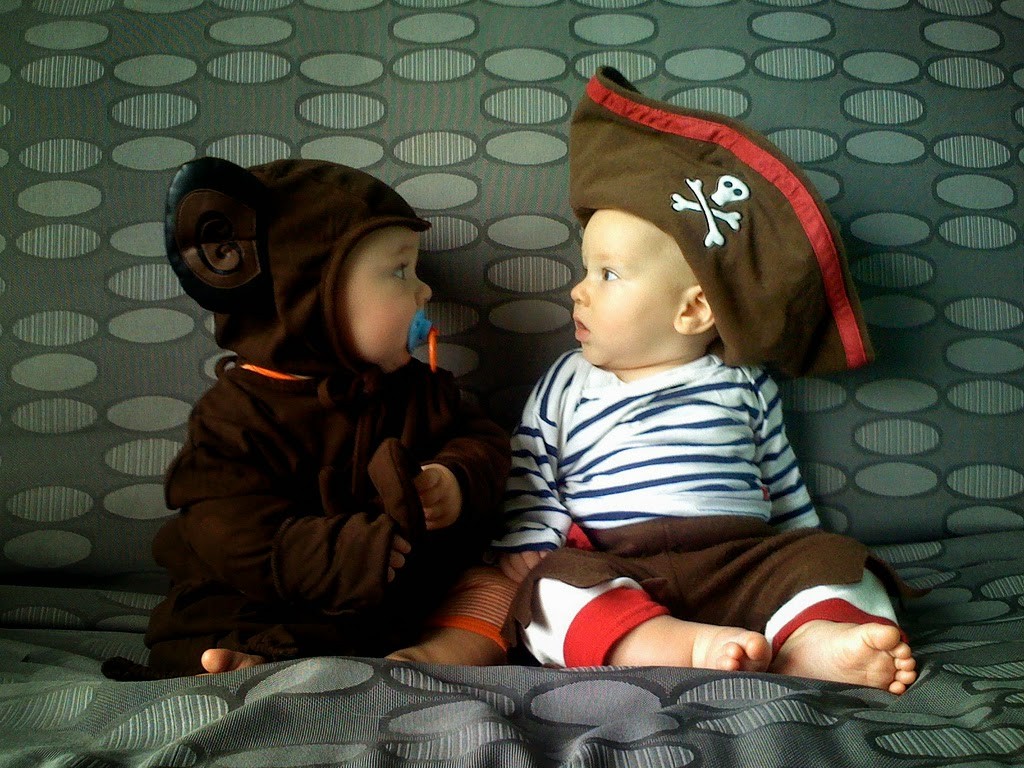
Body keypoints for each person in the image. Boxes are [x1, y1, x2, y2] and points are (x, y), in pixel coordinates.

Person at [491, 67, 919, 695]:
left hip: (740, 558)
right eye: (585, 271)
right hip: (619, 564)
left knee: (841, 562)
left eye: (607, 274)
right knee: (547, 592)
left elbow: (781, 477)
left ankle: (814, 642)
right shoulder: (567, 380)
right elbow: (532, 466)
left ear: (692, 309)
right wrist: (532, 536)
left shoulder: (742, 380)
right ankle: (670, 643)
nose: (578, 291)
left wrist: (803, 550)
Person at [104, 157, 514, 679]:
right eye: (400, 271)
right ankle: (243, 660)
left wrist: (454, 478)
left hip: (399, 600)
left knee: (499, 587)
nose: (425, 291)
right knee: (207, 616)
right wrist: (344, 554)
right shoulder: (235, 415)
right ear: (307, 298)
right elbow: (225, 526)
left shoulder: (416, 388)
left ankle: (428, 653)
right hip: (265, 594)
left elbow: (484, 439)